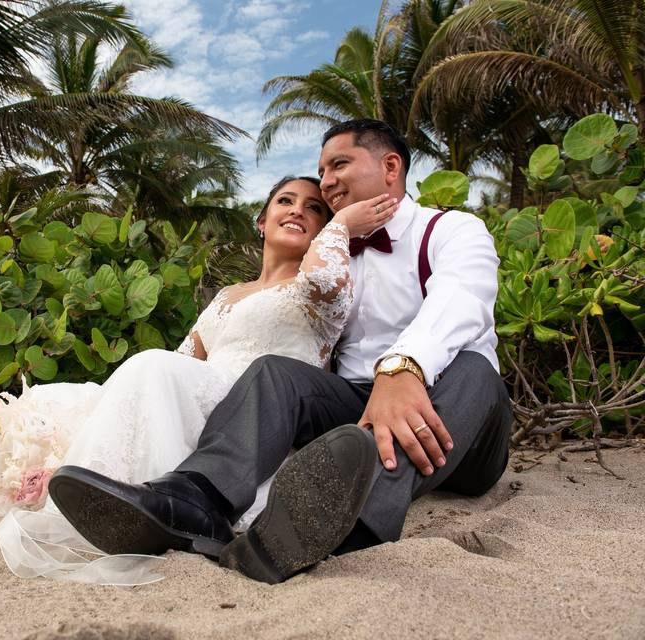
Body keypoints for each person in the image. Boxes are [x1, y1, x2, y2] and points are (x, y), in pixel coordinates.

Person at [49, 119, 514, 585]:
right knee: (274, 372)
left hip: (459, 421)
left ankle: (346, 527)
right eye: (321, 169)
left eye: (338, 165)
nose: (326, 180)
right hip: (360, 410)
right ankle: (195, 500)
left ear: (390, 166)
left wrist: (402, 368)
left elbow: (463, 299)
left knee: (474, 368)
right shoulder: (330, 254)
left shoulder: (450, 229)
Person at [0, 175, 397, 585]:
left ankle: (160, 506)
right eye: (287, 201)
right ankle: (125, 502)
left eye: (315, 209)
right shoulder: (225, 296)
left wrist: (343, 224)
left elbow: (329, 276)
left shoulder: (319, 291)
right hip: (199, 399)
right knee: (82, 396)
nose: (301, 212)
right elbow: (183, 359)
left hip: (258, 416)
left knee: (152, 366)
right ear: (261, 222)